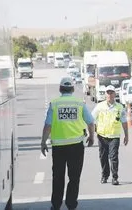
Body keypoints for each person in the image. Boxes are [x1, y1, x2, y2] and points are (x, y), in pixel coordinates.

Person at [41, 77, 95, 210]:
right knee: (74, 177)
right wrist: (91, 137)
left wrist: (43, 142)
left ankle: (56, 205)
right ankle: (71, 205)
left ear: (60, 89)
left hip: (58, 147)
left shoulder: (54, 104)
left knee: (58, 177)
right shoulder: (79, 103)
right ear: (72, 89)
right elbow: (90, 122)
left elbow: (48, 125)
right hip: (76, 146)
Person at [91, 85, 129, 185]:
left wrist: (126, 135)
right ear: (105, 94)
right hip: (102, 136)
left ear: (114, 94)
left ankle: (115, 177)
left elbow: (124, 121)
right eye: (108, 93)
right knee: (103, 157)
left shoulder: (119, 107)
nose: (109, 95)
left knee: (113, 157)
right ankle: (104, 175)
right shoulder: (100, 106)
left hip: (114, 136)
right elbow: (91, 118)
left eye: (111, 92)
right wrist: (93, 129)